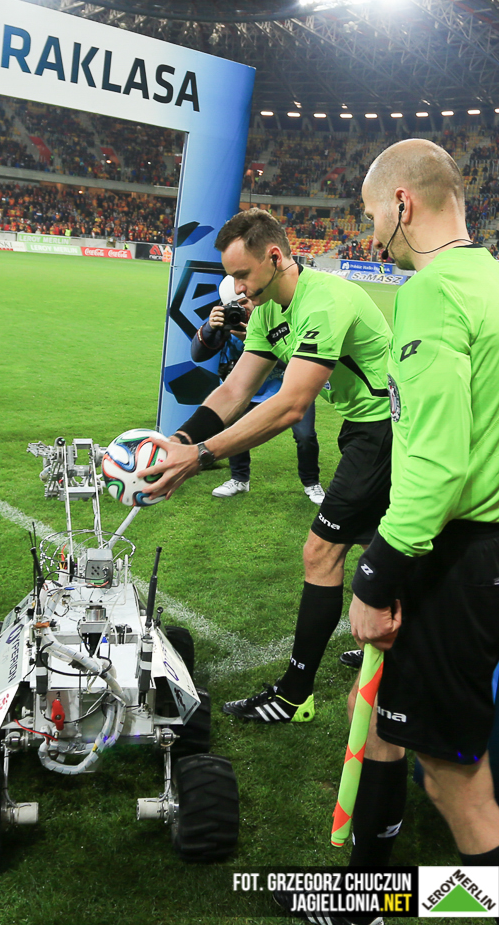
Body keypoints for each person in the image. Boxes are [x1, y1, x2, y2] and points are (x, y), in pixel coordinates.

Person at [146, 208, 392, 725]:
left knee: (321, 551)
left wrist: (203, 456)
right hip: (363, 428)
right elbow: (235, 390)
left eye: (242, 275)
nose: (236, 289)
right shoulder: (264, 311)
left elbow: (291, 404)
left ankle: (294, 695)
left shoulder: (323, 300)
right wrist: (180, 440)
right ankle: (402, 638)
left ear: (275, 256)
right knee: (386, 542)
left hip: (389, 430)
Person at [348, 138, 499, 868]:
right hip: (482, 550)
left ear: (402, 204)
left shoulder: (431, 293)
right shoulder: (490, 279)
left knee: (453, 784)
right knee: (382, 717)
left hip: (457, 555)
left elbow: (437, 464)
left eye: (372, 211)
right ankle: (362, 899)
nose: (370, 227)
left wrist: (376, 576)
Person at [192, 275, 324, 503]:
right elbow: (197, 354)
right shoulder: (227, 320)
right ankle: (239, 479)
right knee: (234, 431)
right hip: (244, 389)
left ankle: (312, 483)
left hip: (288, 387)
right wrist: (210, 328)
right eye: (235, 305)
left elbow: (296, 360)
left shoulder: (277, 316)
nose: (242, 309)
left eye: (245, 302)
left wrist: (253, 341)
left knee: (305, 436)